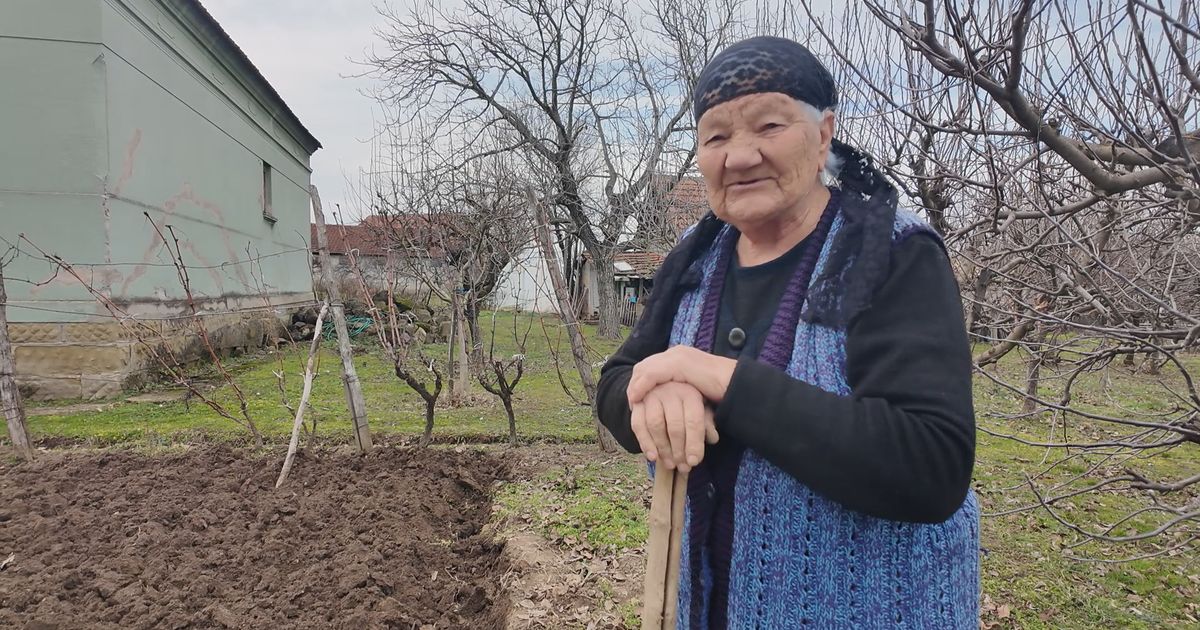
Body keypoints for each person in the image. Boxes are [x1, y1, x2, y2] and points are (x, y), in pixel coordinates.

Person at [596, 36, 980, 629]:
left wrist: (721, 380)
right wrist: (658, 395)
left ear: (824, 134)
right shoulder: (696, 258)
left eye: (768, 125)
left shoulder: (890, 254)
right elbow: (619, 381)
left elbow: (930, 466)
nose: (739, 155)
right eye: (716, 136)